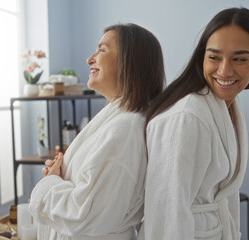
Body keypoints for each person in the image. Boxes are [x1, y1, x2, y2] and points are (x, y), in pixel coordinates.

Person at [29, 23, 165, 240]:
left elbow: (85, 214)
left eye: (102, 50)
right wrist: (62, 175)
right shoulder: (116, 121)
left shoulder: (125, 130)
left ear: (130, 62)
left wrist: (50, 183)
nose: (90, 59)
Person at [141, 7, 249, 240]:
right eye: (214, 57)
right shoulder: (187, 117)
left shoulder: (225, 107)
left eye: (239, 59)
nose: (224, 70)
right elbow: (167, 213)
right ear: (202, 58)